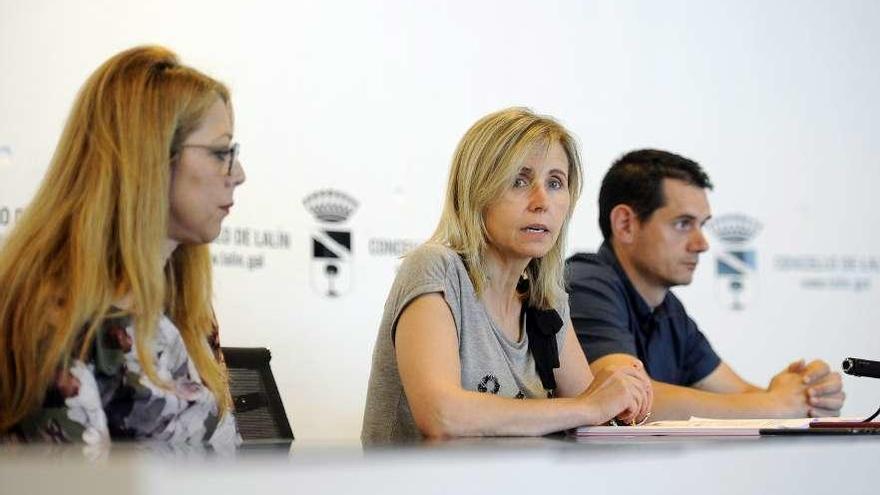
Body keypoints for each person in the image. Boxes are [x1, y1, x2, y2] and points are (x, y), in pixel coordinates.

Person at [0, 46, 246, 445]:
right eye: (221, 152)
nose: (238, 174)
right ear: (149, 156)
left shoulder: (188, 309)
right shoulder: (51, 317)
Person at [361, 108, 652, 444]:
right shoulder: (435, 268)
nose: (542, 201)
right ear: (476, 191)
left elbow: (591, 420)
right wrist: (589, 406)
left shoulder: (547, 302)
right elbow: (442, 415)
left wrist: (620, 398)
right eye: (519, 180)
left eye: (555, 182)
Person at [566, 149, 844, 420]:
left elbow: (744, 395)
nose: (702, 244)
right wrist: (777, 404)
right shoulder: (586, 284)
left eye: (702, 225)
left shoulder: (668, 309)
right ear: (625, 224)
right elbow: (625, 401)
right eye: (683, 224)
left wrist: (808, 395)